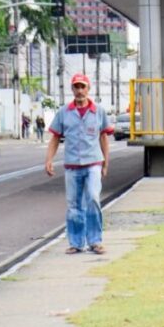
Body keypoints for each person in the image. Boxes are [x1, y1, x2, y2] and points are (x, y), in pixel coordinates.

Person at [44, 73, 113, 255]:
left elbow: (104, 137)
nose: (80, 90)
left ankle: (95, 241)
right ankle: (76, 243)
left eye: (83, 87)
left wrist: (105, 163)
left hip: (93, 163)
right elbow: (55, 137)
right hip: (72, 165)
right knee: (74, 205)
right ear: (72, 90)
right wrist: (49, 160)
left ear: (88, 89)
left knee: (93, 198)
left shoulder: (98, 111)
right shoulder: (64, 112)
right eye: (76, 87)